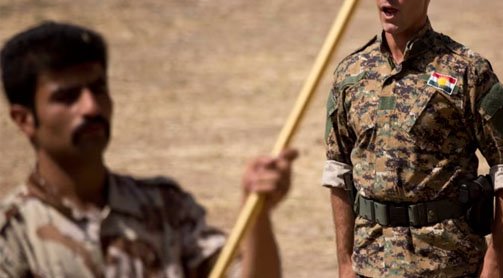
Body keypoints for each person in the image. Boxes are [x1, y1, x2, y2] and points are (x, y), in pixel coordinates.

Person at [0, 21, 297, 277]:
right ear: (24, 119)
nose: (91, 107)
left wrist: (256, 214)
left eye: (98, 89)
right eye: (67, 97)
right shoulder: (12, 235)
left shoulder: (165, 208)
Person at [321, 0, 503, 278]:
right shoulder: (351, 74)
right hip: (370, 264)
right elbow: (338, 170)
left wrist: (497, 258)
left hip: (447, 264)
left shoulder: (467, 71)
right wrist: (345, 262)